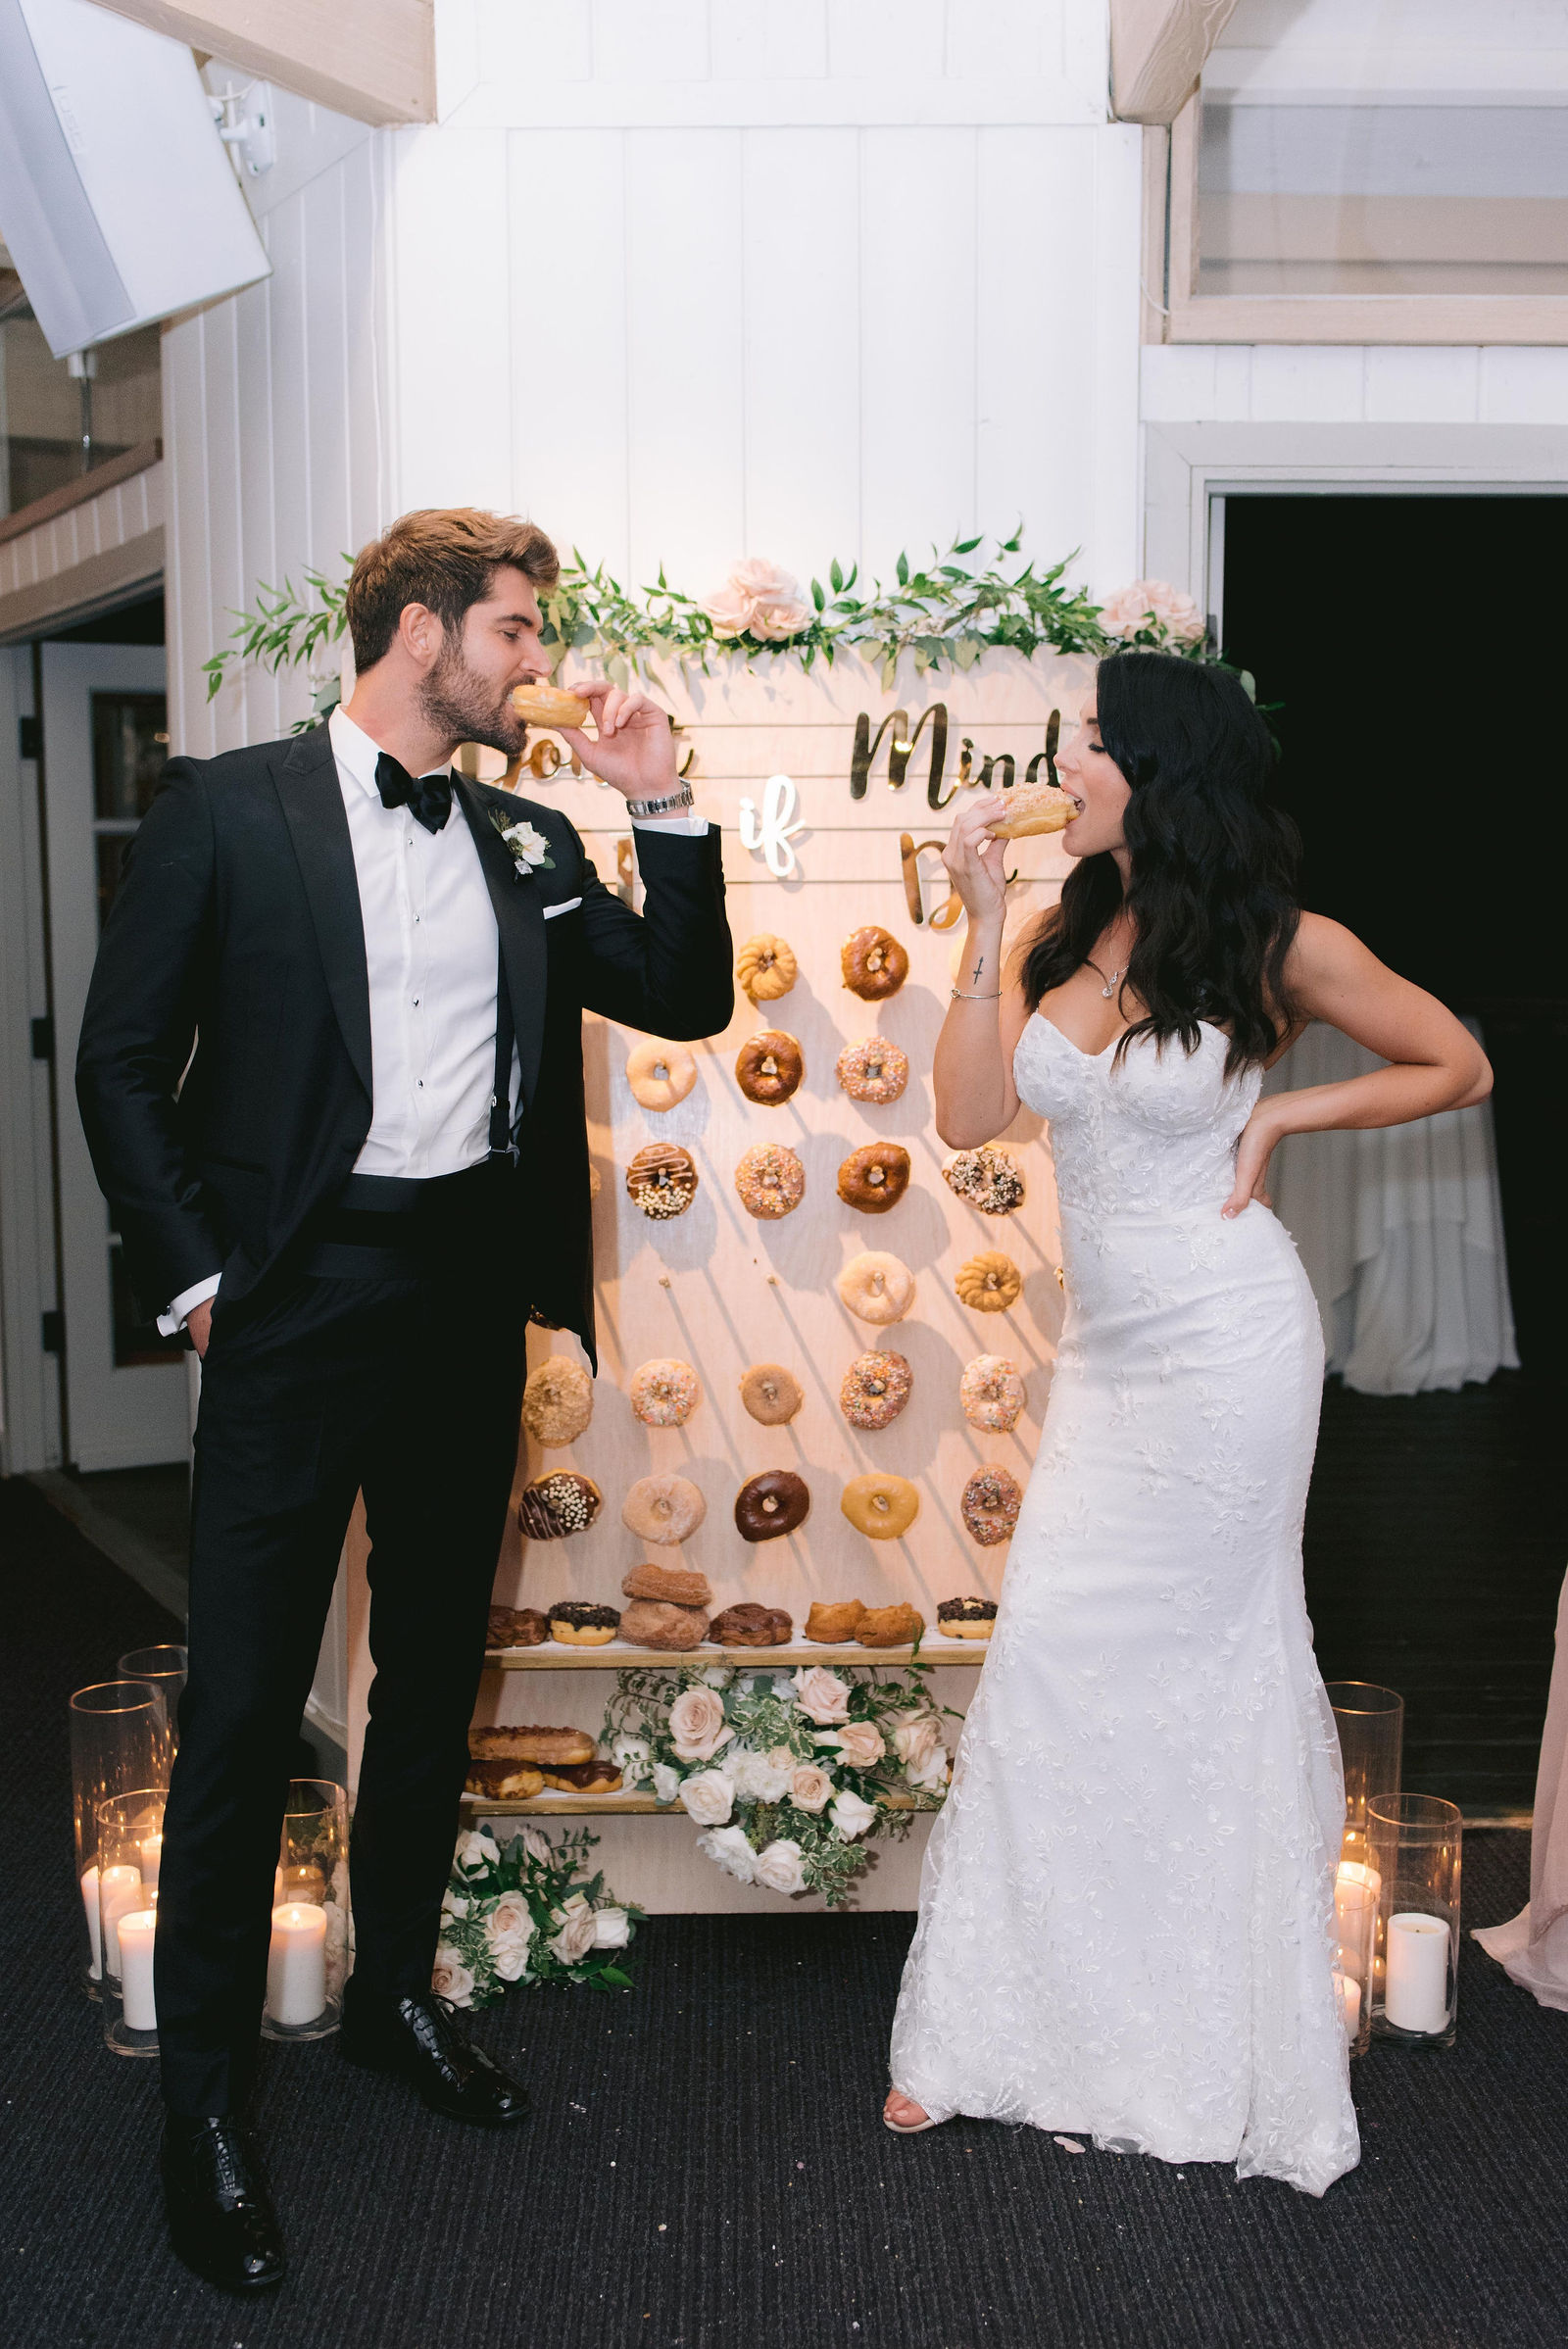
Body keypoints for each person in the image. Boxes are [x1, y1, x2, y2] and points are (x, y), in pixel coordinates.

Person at [75, 507, 733, 2291]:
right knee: (239, 1717)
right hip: (290, 1312)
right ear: (422, 626)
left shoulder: (524, 833)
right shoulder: (231, 807)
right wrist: (202, 1283)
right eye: (514, 631)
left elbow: (678, 991)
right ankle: (202, 2106)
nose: (534, 662)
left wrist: (658, 802)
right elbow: (121, 1061)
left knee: (432, 1679)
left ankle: (387, 1999)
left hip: (462, 1315)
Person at [882, 650, 1489, 2194]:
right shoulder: (1061, 931)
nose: (1069, 765)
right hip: (1107, 1361)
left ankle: (1206, 2027)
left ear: (1159, 775)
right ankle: (998, 2027)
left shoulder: (1279, 942)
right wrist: (970, 922)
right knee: (1058, 1661)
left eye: (1091, 745)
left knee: (1214, 1678)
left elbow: (1455, 1058)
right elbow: (965, 1117)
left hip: (1230, 1348)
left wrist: (1285, 1108)